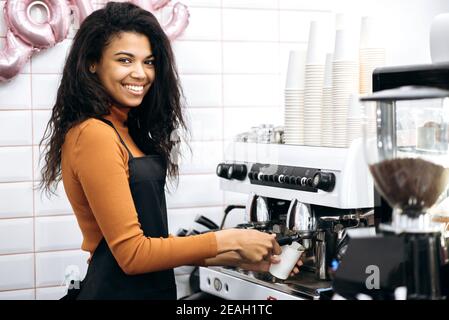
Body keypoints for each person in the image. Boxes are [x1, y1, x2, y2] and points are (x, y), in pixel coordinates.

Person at [38, 2, 301, 300]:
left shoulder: (126, 130)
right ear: (92, 63)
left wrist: (239, 256)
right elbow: (132, 254)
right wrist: (229, 238)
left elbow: (154, 245)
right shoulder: (94, 134)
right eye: (125, 60)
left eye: (149, 62)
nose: (140, 74)